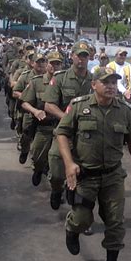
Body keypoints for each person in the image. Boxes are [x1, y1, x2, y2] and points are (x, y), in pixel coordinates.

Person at [55, 67, 131, 261]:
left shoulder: (124, 110)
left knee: (115, 222)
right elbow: (62, 133)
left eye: (114, 82)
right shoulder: (78, 106)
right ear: (94, 85)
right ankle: (72, 230)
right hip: (85, 176)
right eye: (106, 82)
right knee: (82, 219)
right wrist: (68, 164)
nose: (112, 86)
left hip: (113, 176)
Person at [43, 41, 93, 211]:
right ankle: (57, 190)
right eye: (79, 55)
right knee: (57, 172)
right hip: (63, 132)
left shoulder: (94, 81)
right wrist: (67, 118)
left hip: (87, 136)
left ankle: (81, 216)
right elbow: (49, 105)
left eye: (85, 56)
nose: (82, 59)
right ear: (71, 56)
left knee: (85, 177)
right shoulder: (60, 78)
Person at [20, 51, 63, 185]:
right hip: (43, 127)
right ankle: (38, 169)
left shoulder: (65, 82)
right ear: (47, 64)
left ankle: (57, 187)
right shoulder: (36, 82)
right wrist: (35, 111)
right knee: (38, 156)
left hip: (60, 127)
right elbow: (24, 102)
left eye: (58, 64)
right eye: (52, 63)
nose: (54, 66)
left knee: (59, 160)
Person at [13, 53, 48, 164]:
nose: (41, 64)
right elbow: (15, 92)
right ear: (33, 63)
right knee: (26, 135)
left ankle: (40, 161)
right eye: (38, 62)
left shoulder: (50, 77)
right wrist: (27, 95)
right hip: (29, 111)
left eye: (43, 62)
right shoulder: (26, 76)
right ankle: (24, 150)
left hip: (44, 112)